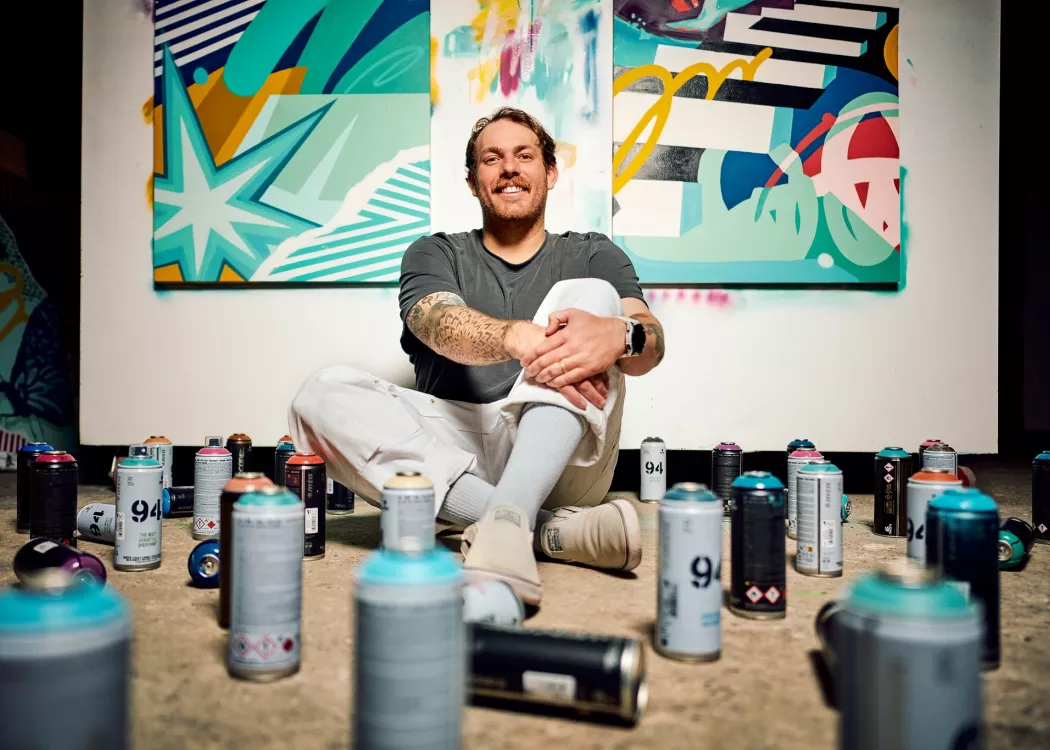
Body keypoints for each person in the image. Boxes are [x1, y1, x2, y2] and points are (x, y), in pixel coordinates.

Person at [289, 107, 666, 605]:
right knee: (317, 396)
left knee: (596, 296)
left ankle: (510, 516)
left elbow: (648, 344)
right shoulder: (433, 252)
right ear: (473, 181)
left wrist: (622, 336)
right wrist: (517, 338)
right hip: (454, 455)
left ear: (549, 173)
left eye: (524, 155)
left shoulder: (593, 252)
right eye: (492, 158)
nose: (509, 168)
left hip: (563, 452)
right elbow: (435, 322)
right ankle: (541, 529)